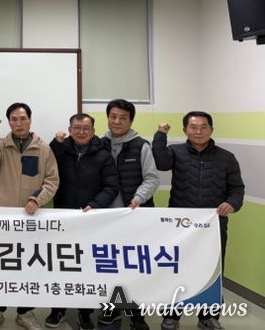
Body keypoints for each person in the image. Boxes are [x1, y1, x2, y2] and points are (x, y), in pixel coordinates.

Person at [153, 112, 245, 330]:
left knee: (212, 271)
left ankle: (208, 317)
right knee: (176, 269)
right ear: (185, 130)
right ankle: (171, 316)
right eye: (193, 127)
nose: (198, 131)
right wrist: (160, 135)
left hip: (213, 226)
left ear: (211, 130)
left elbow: (237, 188)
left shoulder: (226, 157)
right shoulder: (175, 152)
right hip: (180, 225)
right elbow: (161, 163)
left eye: (204, 127)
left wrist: (232, 203)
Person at [0, 102, 60, 330]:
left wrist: (37, 199)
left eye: (23, 118)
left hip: (32, 216)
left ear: (30, 120)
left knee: (29, 265)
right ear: (8, 122)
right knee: (2, 265)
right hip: (5, 216)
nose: (18, 123)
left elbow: (52, 180)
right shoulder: (2, 144)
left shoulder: (43, 148)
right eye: (13, 119)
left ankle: (25, 312)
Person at [44, 113, 119, 330]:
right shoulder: (60, 151)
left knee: (87, 267)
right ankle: (58, 309)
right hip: (63, 220)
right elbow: (46, 171)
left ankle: (85, 312)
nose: (81, 132)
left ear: (93, 132)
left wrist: (95, 205)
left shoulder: (104, 156)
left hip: (91, 221)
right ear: (69, 130)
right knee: (60, 266)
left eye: (86, 128)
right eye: (77, 128)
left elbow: (111, 187)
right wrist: (55, 143)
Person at [98, 98, 159, 330]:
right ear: (107, 118)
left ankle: (136, 314)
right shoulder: (99, 144)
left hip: (134, 217)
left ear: (131, 121)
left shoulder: (141, 146)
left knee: (134, 267)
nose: (117, 121)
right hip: (105, 219)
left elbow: (152, 178)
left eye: (123, 118)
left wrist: (138, 198)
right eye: (113, 116)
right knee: (109, 266)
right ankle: (111, 309)